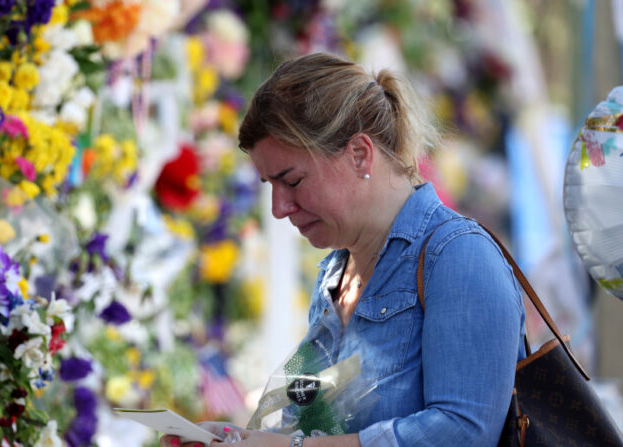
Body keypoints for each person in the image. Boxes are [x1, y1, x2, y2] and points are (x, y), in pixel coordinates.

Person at [161, 52, 526, 447]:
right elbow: (311, 426)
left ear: (359, 154)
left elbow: (464, 433)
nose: (278, 208)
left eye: (293, 181)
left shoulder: (458, 256)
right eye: (270, 185)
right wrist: (238, 440)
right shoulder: (334, 273)